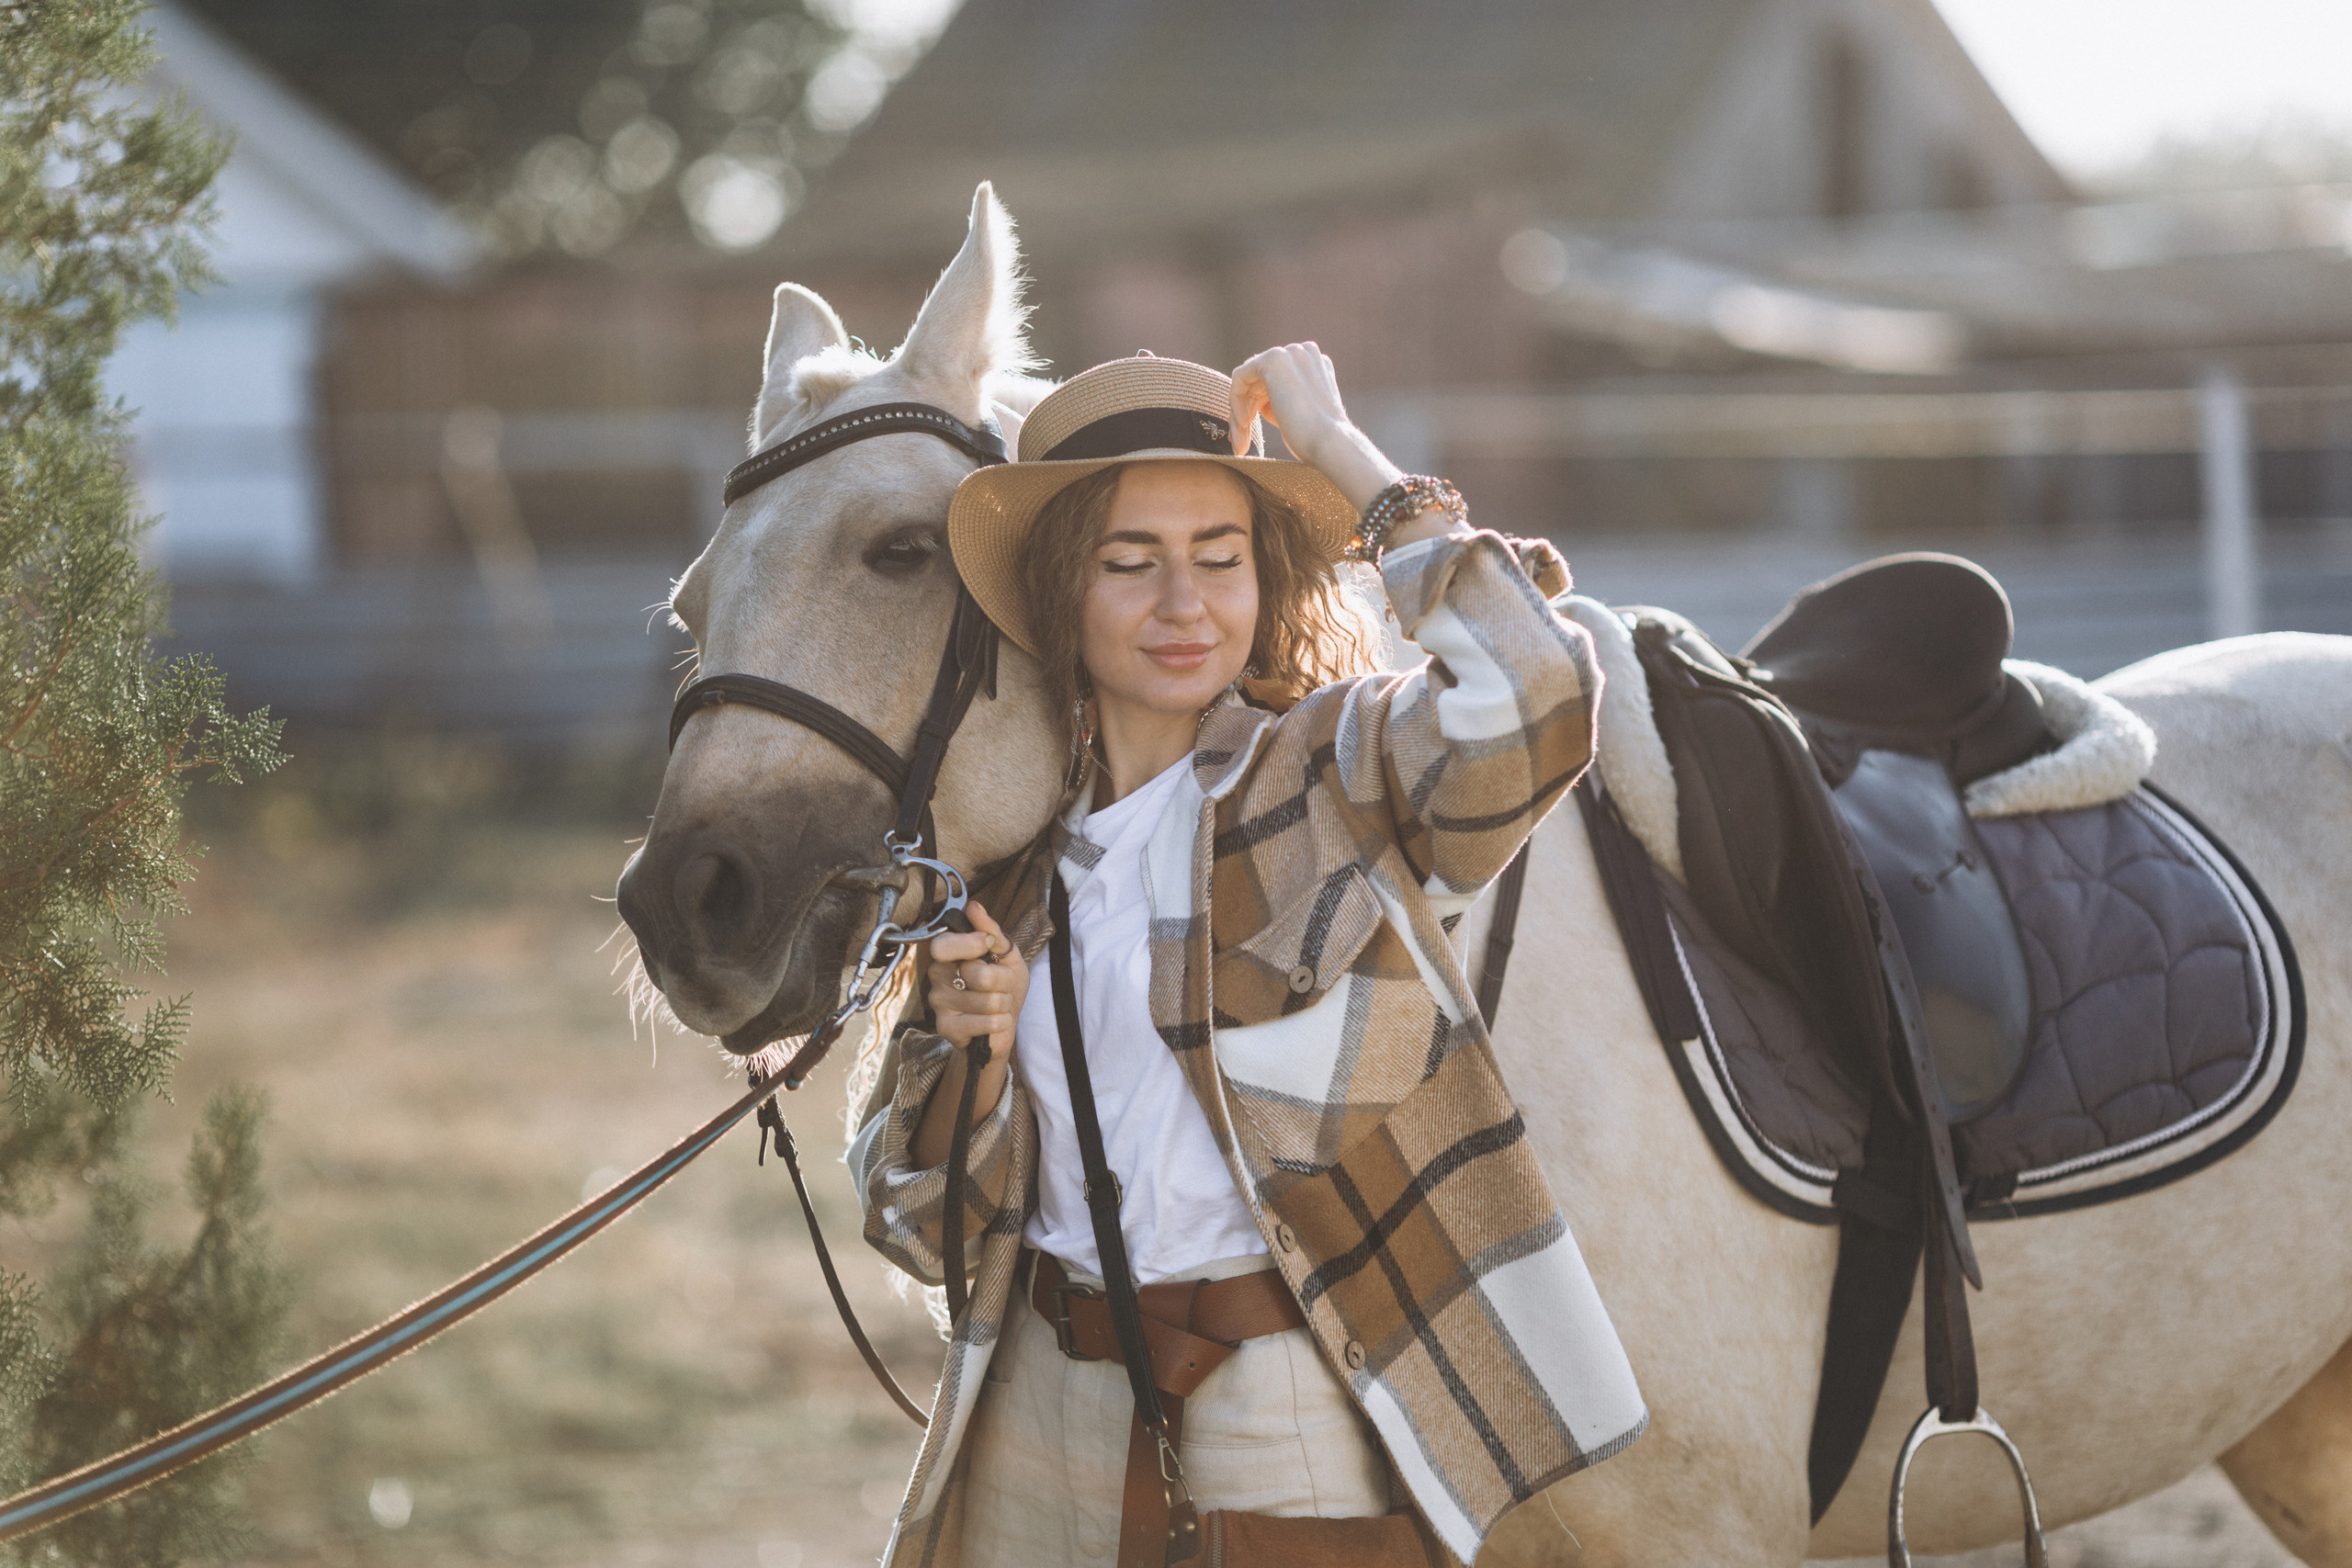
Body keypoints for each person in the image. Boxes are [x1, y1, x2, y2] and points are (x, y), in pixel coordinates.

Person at [850, 348, 1645, 1568]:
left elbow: (1535, 693)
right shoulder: (1003, 867)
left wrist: (1336, 445)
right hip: (1039, 1405)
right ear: (1062, 592)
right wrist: (973, 1060)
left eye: (1220, 560)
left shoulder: (1335, 773)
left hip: (1281, 1401)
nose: (1185, 604)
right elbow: (917, 1229)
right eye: (1131, 564)